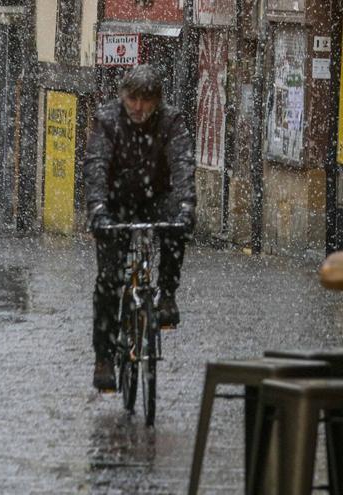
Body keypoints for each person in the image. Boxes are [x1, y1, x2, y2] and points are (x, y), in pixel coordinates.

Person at [84, 64, 197, 391]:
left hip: (156, 197)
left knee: (176, 224)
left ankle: (167, 295)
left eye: (146, 100)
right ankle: (104, 358)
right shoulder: (107, 120)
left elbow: (182, 164)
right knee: (109, 281)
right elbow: (96, 166)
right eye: (133, 99)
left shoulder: (171, 122)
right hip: (116, 204)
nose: (138, 107)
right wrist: (98, 209)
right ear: (123, 96)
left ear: (157, 101)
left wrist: (187, 205)